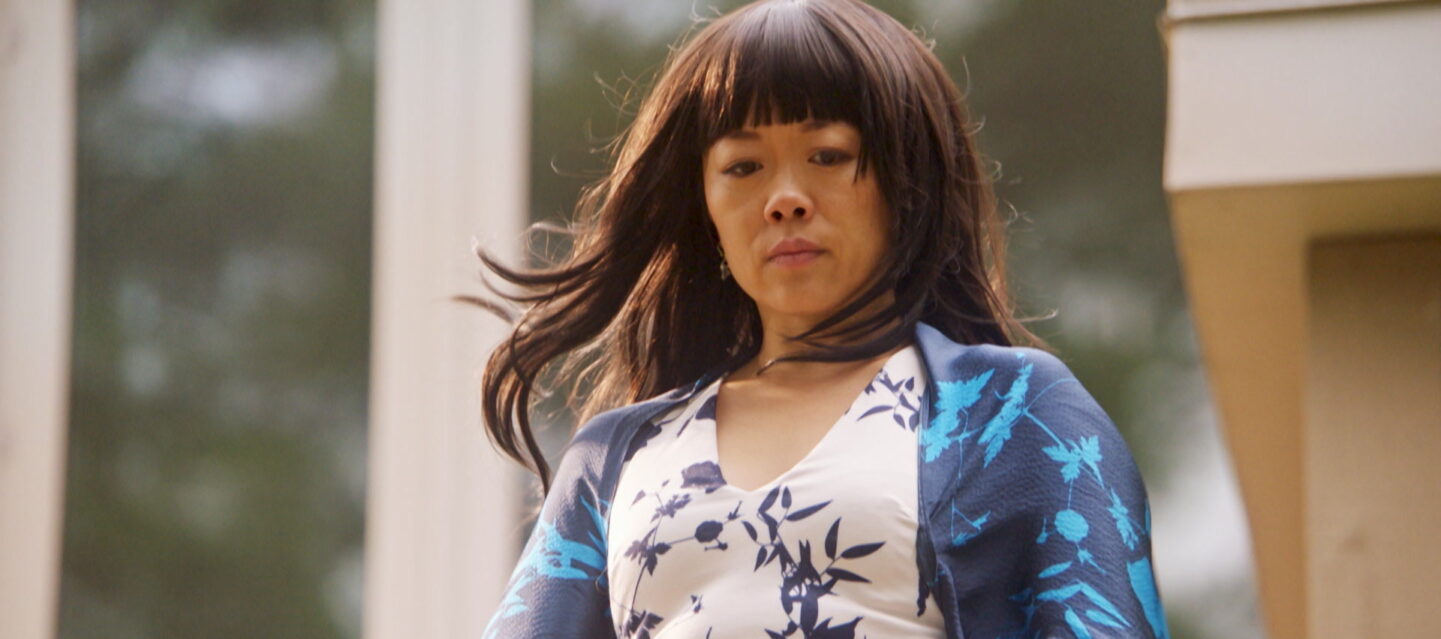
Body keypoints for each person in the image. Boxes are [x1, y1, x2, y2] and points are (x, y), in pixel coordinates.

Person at [466, 0, 1170, 637]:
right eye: (743, 167)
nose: (785, 198)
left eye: (828, 156)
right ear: (703, 207)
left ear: (906, 182)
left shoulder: (1018, 413)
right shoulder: (613, 457)